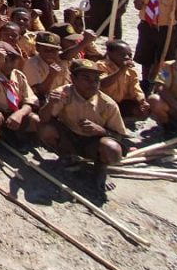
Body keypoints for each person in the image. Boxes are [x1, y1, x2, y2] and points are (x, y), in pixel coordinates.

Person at [38, 59, 127, 189]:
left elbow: (119, 136)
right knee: (45, 129)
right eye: (86, 78)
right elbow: (44, 119)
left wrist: (101, 131)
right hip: (69, 137)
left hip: (93, 144)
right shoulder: (64, 93)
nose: (92, 83)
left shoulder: (108, 104)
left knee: (112, 149)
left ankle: (101, 167)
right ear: (73, 79)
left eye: (96, 79)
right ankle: (67, 156)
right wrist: (50, 103)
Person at [0, 41, 40, 136]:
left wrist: (19, 114)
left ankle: (22, 137)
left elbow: (30, 101)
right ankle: (1, 138)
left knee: (35, 119)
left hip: (15, 112)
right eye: (5, 60)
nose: (9, 64)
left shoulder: (18, 75)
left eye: (13, 59)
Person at [97, 40, 150, 118]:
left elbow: (135, 88)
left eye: (129, 55)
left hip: (121, 101)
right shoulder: (101, 65)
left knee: (142, 110)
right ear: (110, 54)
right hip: (103, 102)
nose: (127, 57)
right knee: (106, 112)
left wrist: (141, 101)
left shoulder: (131, 72)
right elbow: (103, 83)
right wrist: (122, 70)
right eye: (122, 55)